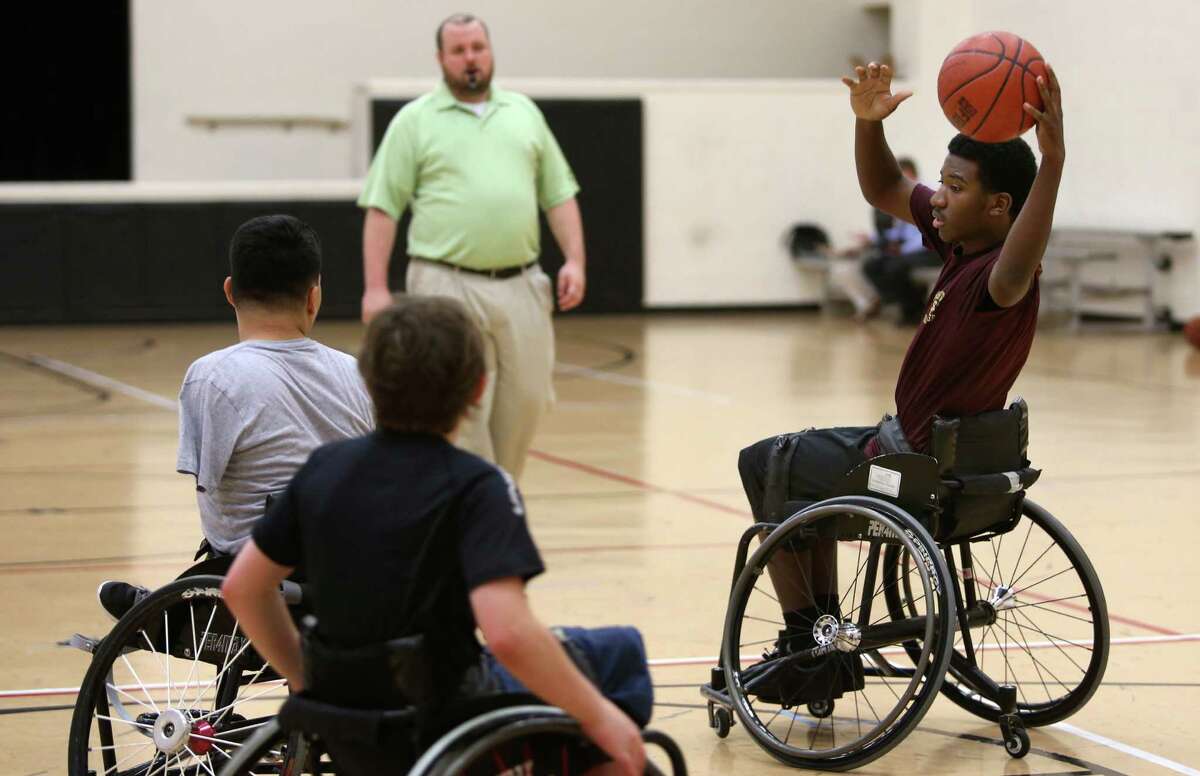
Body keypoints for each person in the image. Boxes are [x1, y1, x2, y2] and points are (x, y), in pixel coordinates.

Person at [736, 61, 1063, 697]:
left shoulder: (1002, 279)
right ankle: (819, 640)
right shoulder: (961, 246)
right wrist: (867, 123)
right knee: (803, 467)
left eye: (955, 186)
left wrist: (1052, 163)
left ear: (999, 207)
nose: (938, 195)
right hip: (950, 462)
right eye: (941, 181)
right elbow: (884, 184)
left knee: (766, 463)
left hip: (904, 468)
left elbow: (1027, 246)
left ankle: (812, 647)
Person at [222, 296, 646, 775]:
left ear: (370, 382)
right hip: (440, 714)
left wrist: (305, 679)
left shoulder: (324, 468)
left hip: (343, 715)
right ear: (478, 389)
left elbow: (242, 588)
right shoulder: (478, 487)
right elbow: (507, 632)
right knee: (619, 658)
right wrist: (600, 716)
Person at [96, 215, 374, 619]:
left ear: (230, 292)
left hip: (260, 582)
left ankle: (164, 610)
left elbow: (209, 486)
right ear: (314, 297)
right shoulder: (359, 373)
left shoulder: (212, 376)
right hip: (350, 576)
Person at [357, 13, 587, 480]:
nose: (470, 59)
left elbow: (559, 194)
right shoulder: (414, 120)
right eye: (459, 51)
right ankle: (471, 511)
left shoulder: (523, 113)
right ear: (441, 59)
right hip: (445, 283)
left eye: (478, 48)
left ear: (490, 51)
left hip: (521, 282)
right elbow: (383, 207)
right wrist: (375, 288)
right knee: (461, 411)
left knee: (526, 401)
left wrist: (575, 261)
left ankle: (499, 500)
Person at [862, 158, 942, 324]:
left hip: (929, 249)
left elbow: (928, 233)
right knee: (872, 265)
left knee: (895, 267)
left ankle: (912, 309)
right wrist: (871, 239)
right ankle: (901, 303)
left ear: (914, 175)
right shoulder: (901, 198)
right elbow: (897, 230)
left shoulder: (928, 196)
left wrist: (902, 250)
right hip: (909, 249)